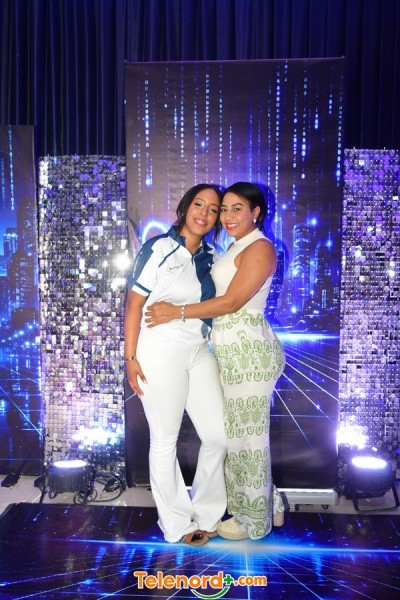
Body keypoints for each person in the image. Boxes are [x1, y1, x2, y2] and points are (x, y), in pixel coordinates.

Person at [145, 181, 286, 541]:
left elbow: (231, 302)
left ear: (256, 212)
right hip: (230, 353)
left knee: (247, 439)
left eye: (237, 208)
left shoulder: (260, 248)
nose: (227, 216)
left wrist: (176, 312)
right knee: (238, 436)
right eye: (224, 209)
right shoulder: (233, 246)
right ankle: (267, 502)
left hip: (249, 352)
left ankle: (254, 520)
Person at [124, 183, 227, 547]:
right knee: (165, 439)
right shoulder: (159, 247)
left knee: (219, 435)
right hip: (159, 350)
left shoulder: (213, 255)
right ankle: (177, 524)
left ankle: (208, 513)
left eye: (213, 209)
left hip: (199, 350)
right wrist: (130, 358)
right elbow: (134, 305)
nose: (205, 214)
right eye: (199, 204)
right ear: (186, 207)